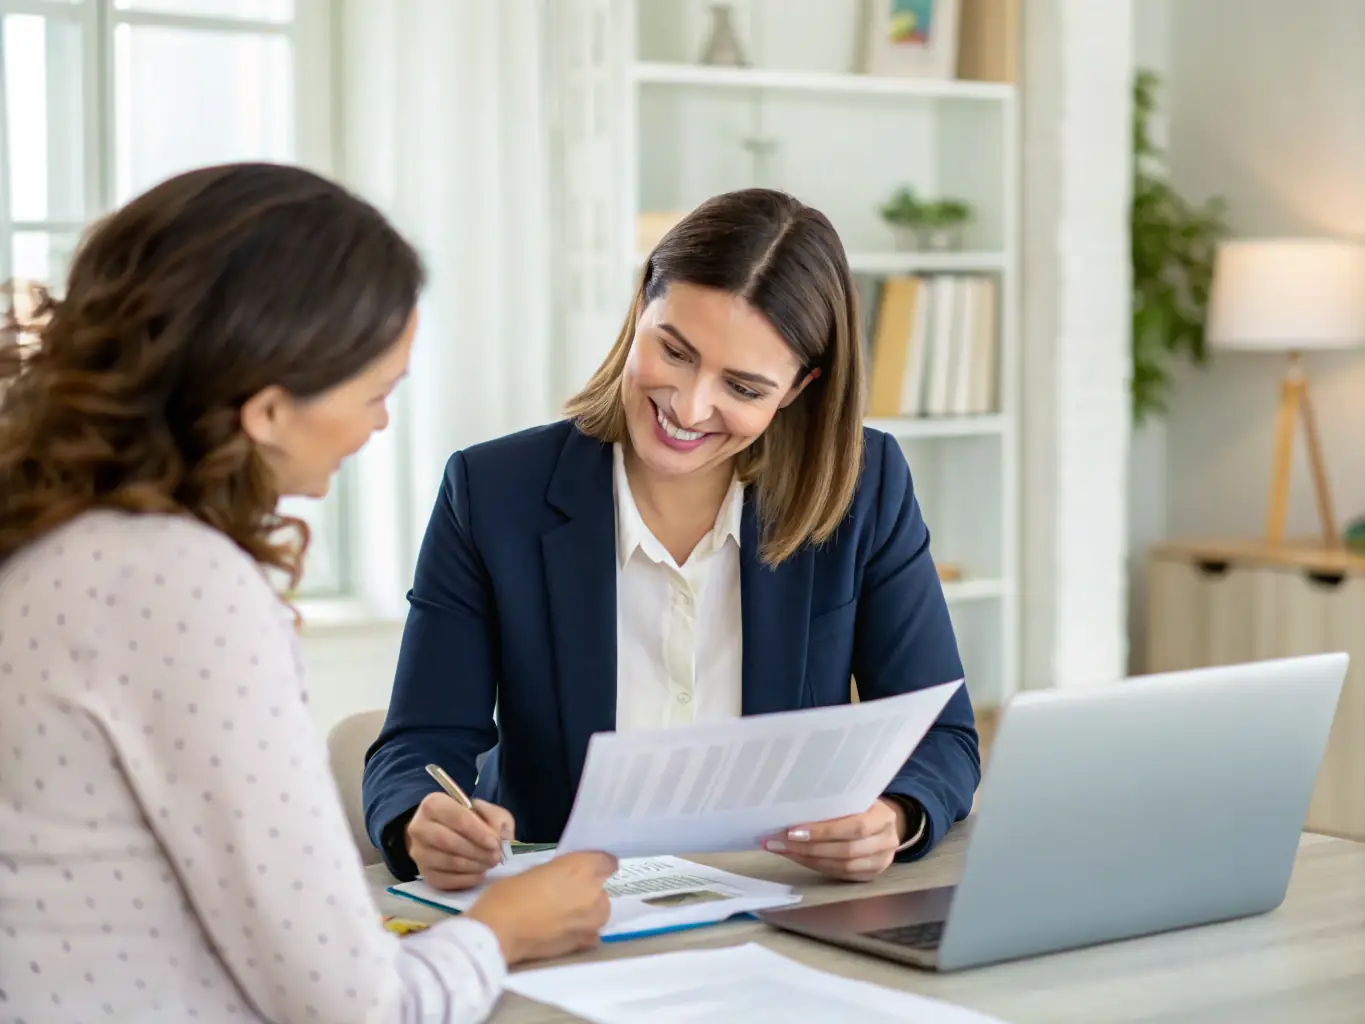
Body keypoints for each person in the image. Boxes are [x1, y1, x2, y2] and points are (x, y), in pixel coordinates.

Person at [0, 163, 617, 1024]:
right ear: (266, 411)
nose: (379, 423)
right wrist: (505, 927)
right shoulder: (183, 586)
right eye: (376, 393)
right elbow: (356, 1007)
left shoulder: (48, 533)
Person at [363, 187, 981, 892]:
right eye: (675, 352)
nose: (689, 407)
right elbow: (419, 740)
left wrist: (894, 816)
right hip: (568, 908)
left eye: (743, 388)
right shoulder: (493, 492)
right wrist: (422, 819)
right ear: (640, 307)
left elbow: (943, 736)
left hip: (785, 903)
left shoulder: (865, 487)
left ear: (797, 388)